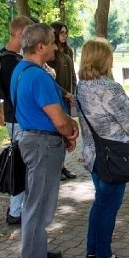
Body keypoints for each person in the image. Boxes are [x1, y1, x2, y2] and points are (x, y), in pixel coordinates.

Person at [11, 23, 79, 258]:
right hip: (42, 145)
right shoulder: (38, 76)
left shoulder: (21, 69)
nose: (54, 46)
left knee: (35, 203)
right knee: (38, 208)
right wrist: (70, 131)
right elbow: (58, 118)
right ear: (40, 47)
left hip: (32, 140)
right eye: (51, 42)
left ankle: (37, 252)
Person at [76, 38, 129, 258]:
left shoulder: (81, 86)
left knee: (100, 202)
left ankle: (92, 251)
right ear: (105, 59)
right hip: (114, 157)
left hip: (93, 155)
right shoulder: (109, 87)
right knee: (109, 205)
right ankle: (104, 255)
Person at [0, 15, 34, 225]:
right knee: (22, 167)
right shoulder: (13, 63)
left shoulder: (2, 57)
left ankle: (17, 210)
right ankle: (17, 211)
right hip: (19, 120)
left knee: (21, 165)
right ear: (19, 34)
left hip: (13, 118)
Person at [48, 21, 77, 181]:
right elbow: (51, 78)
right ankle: (56, 167)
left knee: (66, 134)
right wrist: (65, 93)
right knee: (58, 133)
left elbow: (72, 74)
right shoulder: (52, 54)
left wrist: (73, 91)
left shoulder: (69, 51)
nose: (65, 35)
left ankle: (62, 165)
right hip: (58, 97)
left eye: (66, 33)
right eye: (62, 33)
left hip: (68, 97)